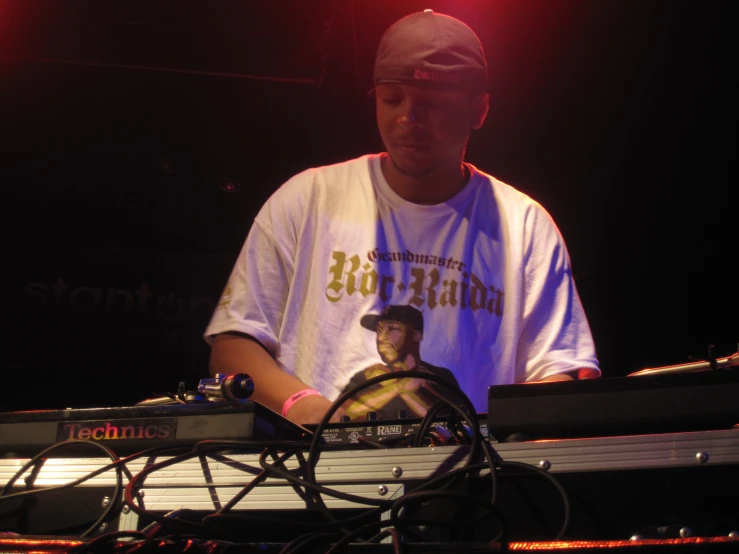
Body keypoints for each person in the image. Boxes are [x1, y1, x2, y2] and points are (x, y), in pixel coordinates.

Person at [204, 10, 600, 426]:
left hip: (468, 484)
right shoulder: (307, 199)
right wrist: (304, 406)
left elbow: (560, 371)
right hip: (317, 478)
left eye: (434, 105)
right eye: (392, 98)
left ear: (479, 110)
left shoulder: (524, 226)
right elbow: (233, 344)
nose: (408, 118)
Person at [340, 304, 465, 420]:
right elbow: (341, 416)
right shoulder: (367, 376)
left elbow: (454, 425)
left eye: (393, 329)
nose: (381, 337)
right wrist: (398, 387)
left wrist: (397, 385)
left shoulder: (439, 377)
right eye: (379, 330)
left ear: (416, 335)